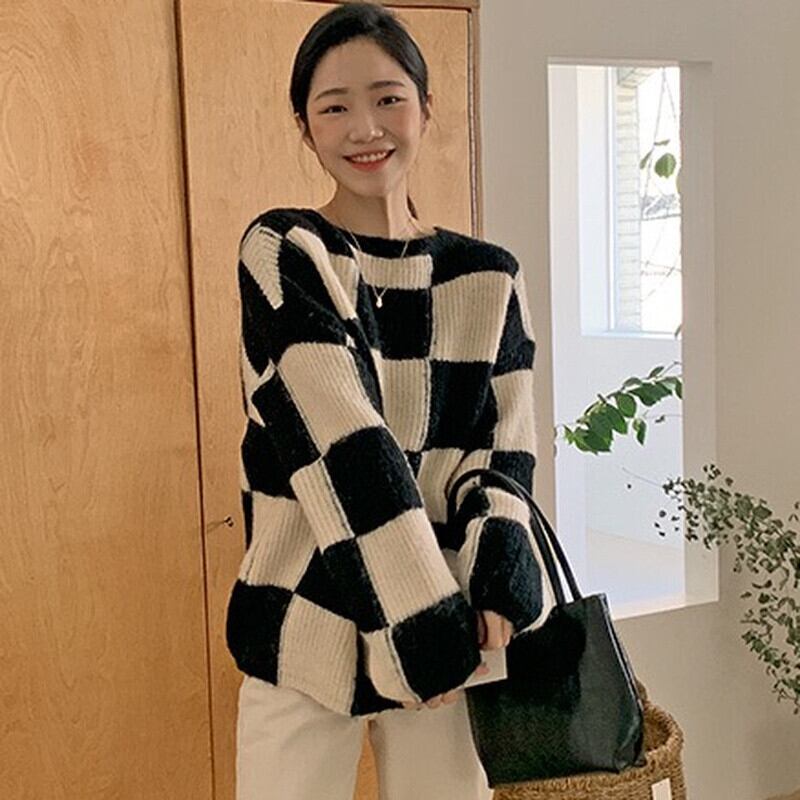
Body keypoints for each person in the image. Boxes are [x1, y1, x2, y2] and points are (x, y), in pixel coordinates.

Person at [225, 3, 551, 798]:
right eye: (334, 107)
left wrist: (498, 574)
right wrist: (422, 629)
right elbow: (345, 446)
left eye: (388, 98)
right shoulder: (286, 250)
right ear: (305, 128)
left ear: (426, 107)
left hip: (450, 632)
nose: (365, 128)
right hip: (311, 626)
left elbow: (503, 453)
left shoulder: (487, 278)